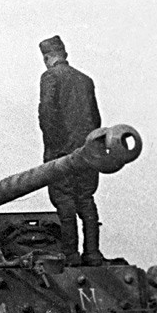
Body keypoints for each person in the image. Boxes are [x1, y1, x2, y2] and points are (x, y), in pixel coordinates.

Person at [38, 35, 103, 265]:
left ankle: (71, 255)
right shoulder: (85, 80)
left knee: (64, 201)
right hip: (87, 152)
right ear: (64, 54)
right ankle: (93, 253)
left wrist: (55, 148)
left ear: (47, 58)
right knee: (86, 198)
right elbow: (95, 118)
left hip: (61, 154)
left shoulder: (50, 77)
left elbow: (47, 114)